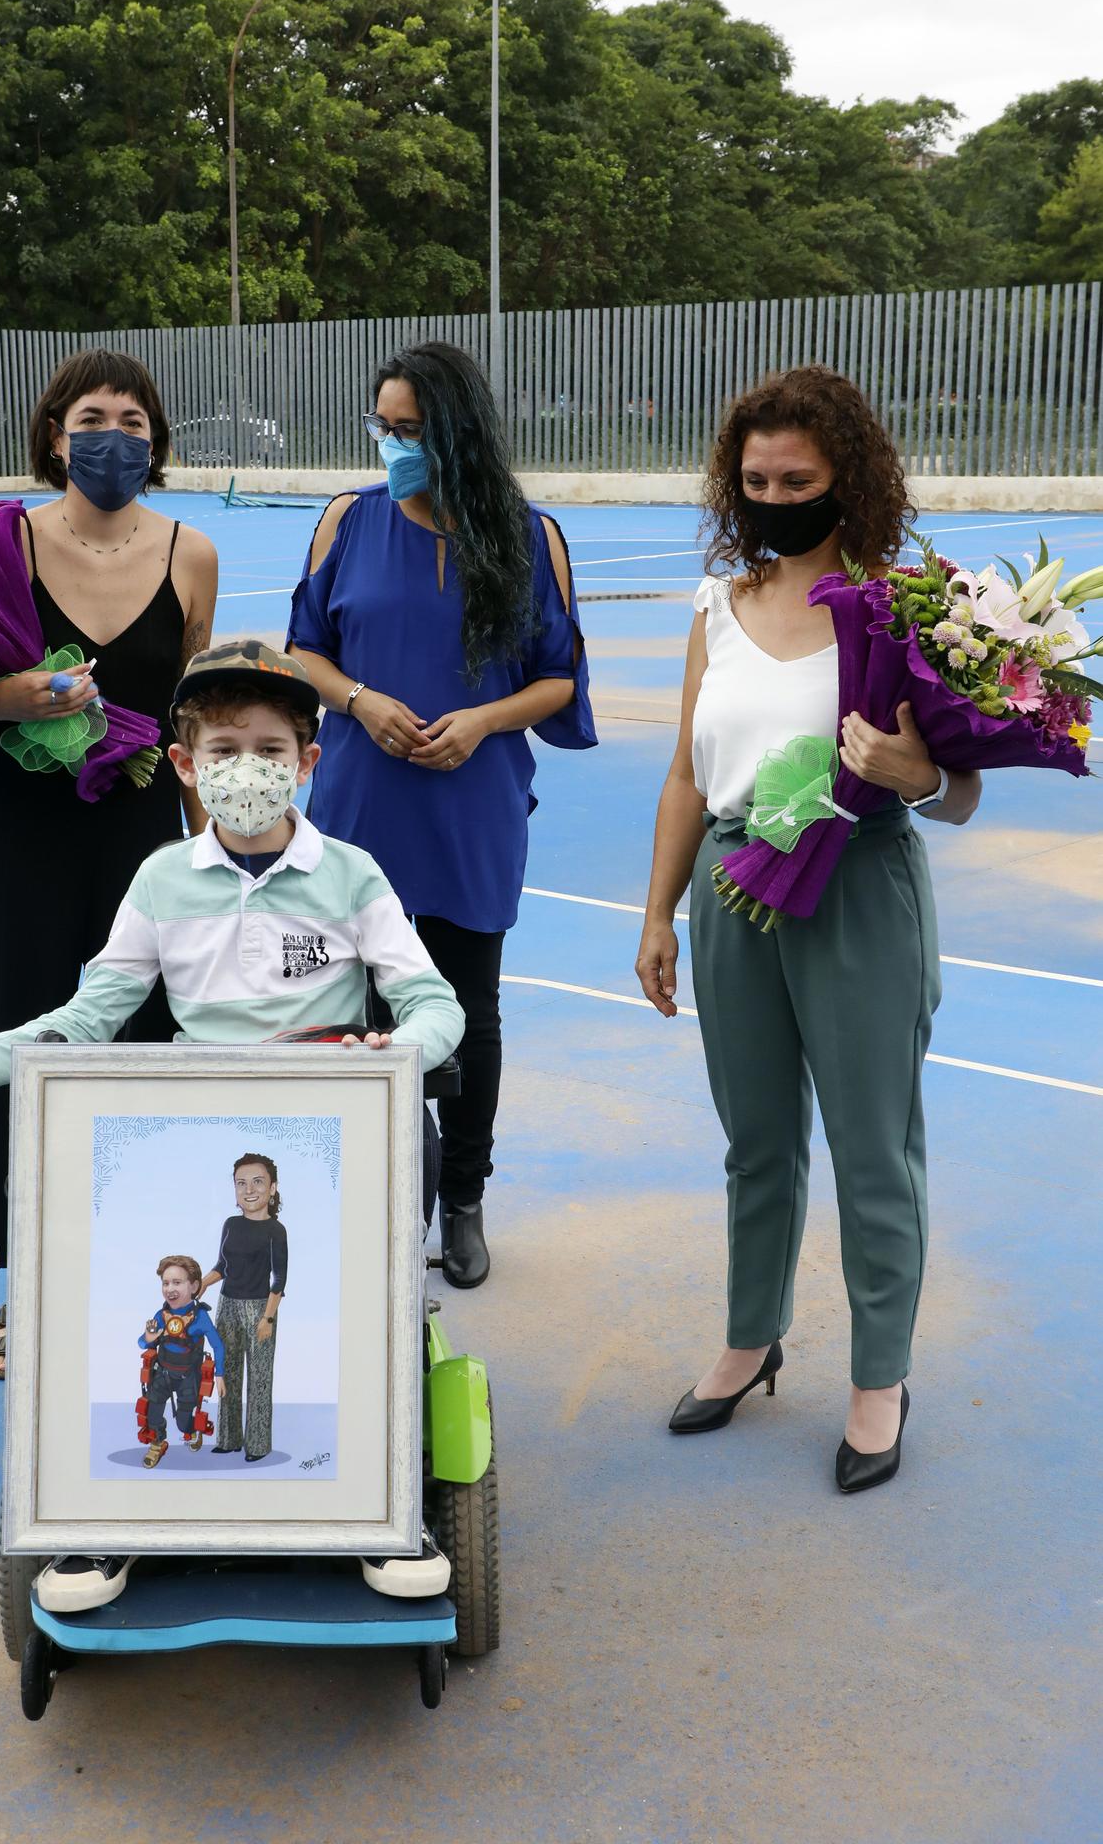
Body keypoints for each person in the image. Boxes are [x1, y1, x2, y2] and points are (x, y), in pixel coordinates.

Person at [0, 639, 464, 1610]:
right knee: (126, 1264)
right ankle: (99, 1517)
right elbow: (90, 1014)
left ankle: (386, 1497)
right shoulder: (161, 883)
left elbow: (432, 1000)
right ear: (184, 763)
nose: (246, 767)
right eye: (223, 748)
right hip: (202, 1127)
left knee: (378, 1256)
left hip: (338, 1124)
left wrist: (402, 1050)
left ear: (309, 760)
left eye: (270, 747)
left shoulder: (351, 876)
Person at [634, 364, 981, 1494]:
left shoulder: (905, 605)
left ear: (848, 480)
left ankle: (880, 1375)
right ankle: (752, 1334)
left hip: (857, 890)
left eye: (799, 477)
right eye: (756, 478)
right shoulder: (714, 605)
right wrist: (656, 914)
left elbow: (963, 786)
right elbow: (687, 777)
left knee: (873, 1149)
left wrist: (916, 768)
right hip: (733, 890)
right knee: (756, 1141)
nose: (774, 494)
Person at [287, 341, 596, 1291]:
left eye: (412, 430)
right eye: (383, 426)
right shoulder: (346, 520)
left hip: (470, 804)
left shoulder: (527, 534)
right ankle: (375, 1200)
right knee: (355, 1010)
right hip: (359, 803)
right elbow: (304, 652)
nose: (392, 445)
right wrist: (360, 701)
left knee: (466, 1012)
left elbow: (556, 679)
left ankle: (461, 1201)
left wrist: (483, 722)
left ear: (460, 432)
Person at [0, 347, 218, 1377]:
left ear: (154, 440)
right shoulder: (1, 541)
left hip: (141, 827)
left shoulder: (190, 553)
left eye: (132, 418)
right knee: (24, 1033)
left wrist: (215, 849)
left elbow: (192, 711)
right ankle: (23, 1286)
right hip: (25, 826)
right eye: (92, 414)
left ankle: (138, 1267)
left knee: (147, 1038)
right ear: (55, 429)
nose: (113, 433)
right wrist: (12, 698)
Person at [200, 1155, 288, 1463]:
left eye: (258, 1181)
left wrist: (268, 1317)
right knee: (228, 1373)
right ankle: (228, 1439)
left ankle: (258, 1446)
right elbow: (222, 1266)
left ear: (272, 1188)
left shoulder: (276, 1231)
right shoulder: (231, 1225)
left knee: (260, 1379)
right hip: (227, 1306)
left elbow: (279, 1280)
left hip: (260, 1308)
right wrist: (203, 1284)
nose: (249, 1189)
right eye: (241, 1183)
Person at [138, 1255, 227, 1468]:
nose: (170, 1289)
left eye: (177, 1282)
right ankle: (158, 1442)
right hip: (163, 1373)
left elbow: (218, 1345)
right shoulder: (161, 1315)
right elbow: (143, 1342)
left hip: (188, 1376)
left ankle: (191, 1430)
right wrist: (148, 1339)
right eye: (165, 1283)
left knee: (183, 1423)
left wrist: (220, 1374)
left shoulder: (200, 1317)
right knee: (152, 1411)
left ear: (194, 1286)